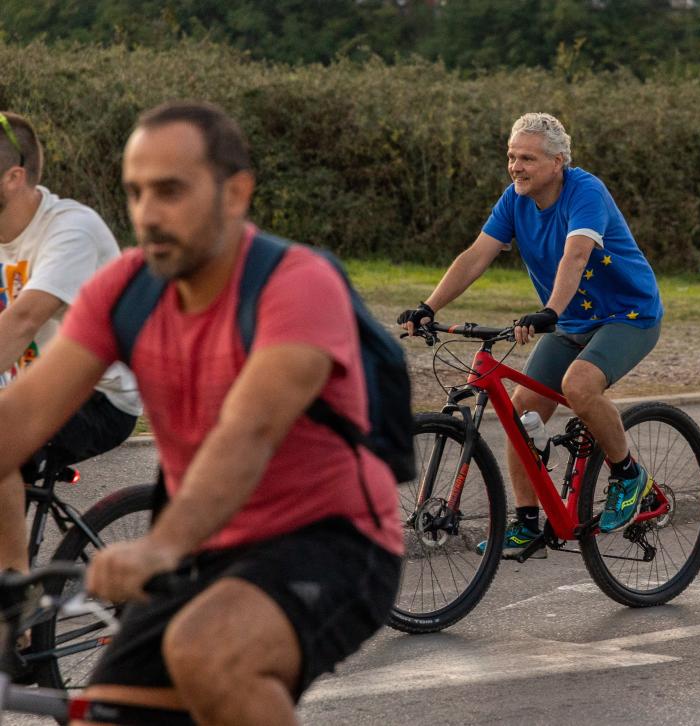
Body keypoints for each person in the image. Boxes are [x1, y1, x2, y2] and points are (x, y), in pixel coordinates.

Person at [0, 101, 402, 725]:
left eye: (170, 191)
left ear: (236, 192)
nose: (148, 215)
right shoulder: (125, 288)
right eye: (136, 193)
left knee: (209, 653)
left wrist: (159, 547)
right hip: (203, 549)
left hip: (331, 542)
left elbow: (248, 433)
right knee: (104, 714)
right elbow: (19, 418)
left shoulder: (295, 284)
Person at [399, 112, 663, 556]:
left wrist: (549, 311)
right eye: (511, 157)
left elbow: (575, 256)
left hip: (628, 315)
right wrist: (430, 306)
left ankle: (629, 475)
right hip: (570, 322)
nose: (516, 167)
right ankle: (527, 524)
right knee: (523, 416)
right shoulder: (514, 199)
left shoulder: (586, 191)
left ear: (558, 161)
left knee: (578, 384)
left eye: (527, 158)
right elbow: (475, 256)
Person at [0, 111, 142, 577]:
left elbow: (23, 319)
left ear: (13, 177)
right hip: (33, 392)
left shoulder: (69, 230)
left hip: (100, 398)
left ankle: (12, 604)